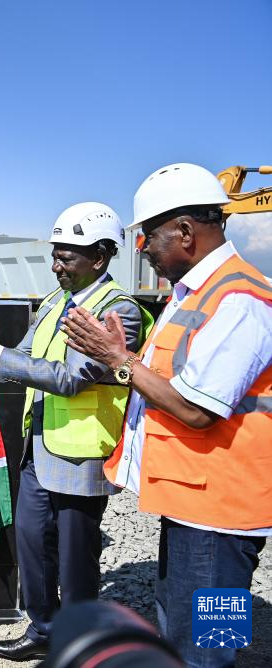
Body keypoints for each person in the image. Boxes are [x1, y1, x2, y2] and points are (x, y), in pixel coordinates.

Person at [62, 163, 272, 668]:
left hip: (220, 515)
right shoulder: (195, 294)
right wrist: (124, 360)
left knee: (205, 649)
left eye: (148, 236)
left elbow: (197, 411)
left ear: (184, 232)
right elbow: (168, 382)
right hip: (197, 503)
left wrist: (118, 359)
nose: (141, 248)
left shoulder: (238, 300)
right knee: (188, 634)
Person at [0, 202, 151, 662]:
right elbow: (26, 358)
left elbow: (71, 379)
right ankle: (44, 628)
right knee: (34, 546)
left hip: (80, 452)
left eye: (66, 257)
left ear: (101, 256)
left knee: (75, 558)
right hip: (39, 447)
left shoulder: (119, 312)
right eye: (55, 255)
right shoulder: (55, 301)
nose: (56, 266)